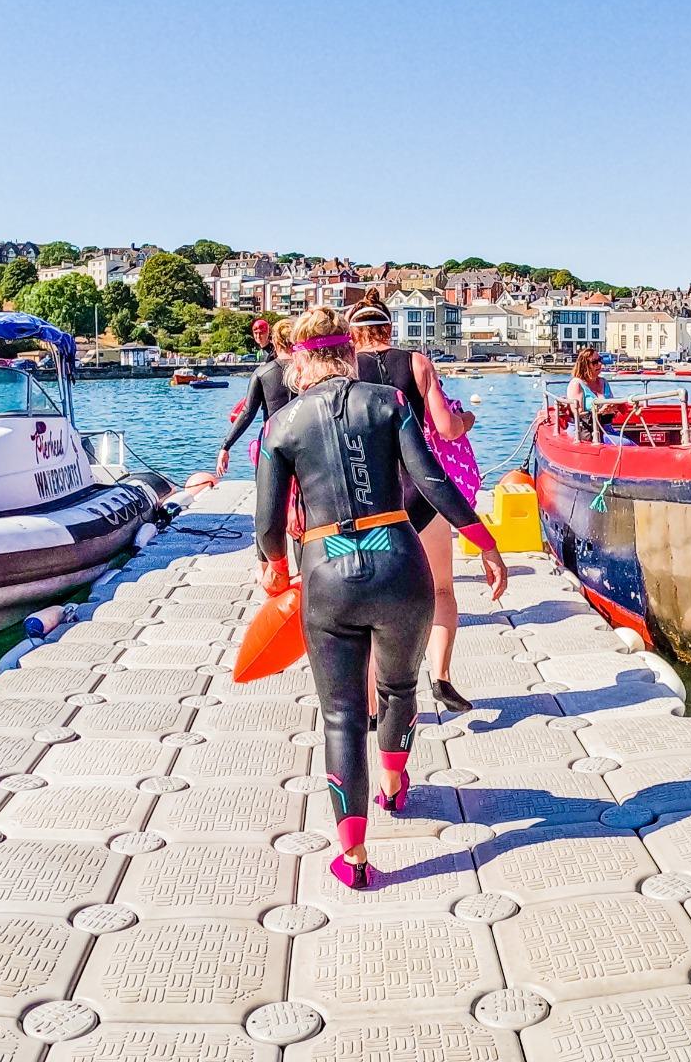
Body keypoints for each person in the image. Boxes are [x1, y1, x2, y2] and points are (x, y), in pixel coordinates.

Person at [257, 307, 507, 889]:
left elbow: (269, 526)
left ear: (298, 359)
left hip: (327, 571)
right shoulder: (388, 404)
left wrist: (273, 568)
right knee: (398, 687)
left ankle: (355, 856)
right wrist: (485, 542)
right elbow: (433, 480)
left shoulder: (283, 426)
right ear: (349, 353)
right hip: (400, 560)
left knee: (343, 716)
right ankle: (394, 785)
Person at [348, 291, 480, 713]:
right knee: (441, 589)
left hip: (368, 496)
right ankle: (440, 677)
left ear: (354, 333)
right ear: (390, 327)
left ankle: (371, 707)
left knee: (369, 606)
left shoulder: (346, 369)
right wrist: (468, 419)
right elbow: (446, 429)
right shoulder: (417, 362)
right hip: (419, 492)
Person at [216, 319, 293, 477]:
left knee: (266, 488)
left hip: (273, 434)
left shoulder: (262, 372)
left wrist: (225, 446)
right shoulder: (308, 371)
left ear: (273, 338)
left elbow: (248, 412)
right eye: (256, 333)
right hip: (303, 437)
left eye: (262, 332)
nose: (258, 336)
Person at [566, 347, 633, 440]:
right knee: (627, 444)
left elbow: (613, 409)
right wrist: (600, 412)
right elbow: (577, 413)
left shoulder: (604, 382)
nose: (600, 364)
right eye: (595, 362)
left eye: (600, 360)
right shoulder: (576, 384)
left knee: (628, 442)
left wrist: (617, 407)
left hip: (605, 428)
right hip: (585, 430)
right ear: (584, 365)